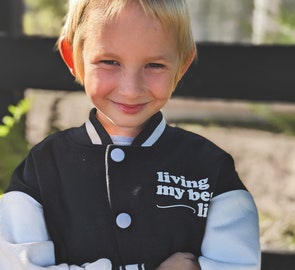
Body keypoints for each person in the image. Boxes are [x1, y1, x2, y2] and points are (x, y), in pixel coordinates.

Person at [0, 0, 261, 269]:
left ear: (181, 66)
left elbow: (237, 263)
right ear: (72, 57)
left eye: (154, 66)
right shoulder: (43, 167)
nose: (131, 89)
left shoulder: (212, 169)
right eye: (109, 61)